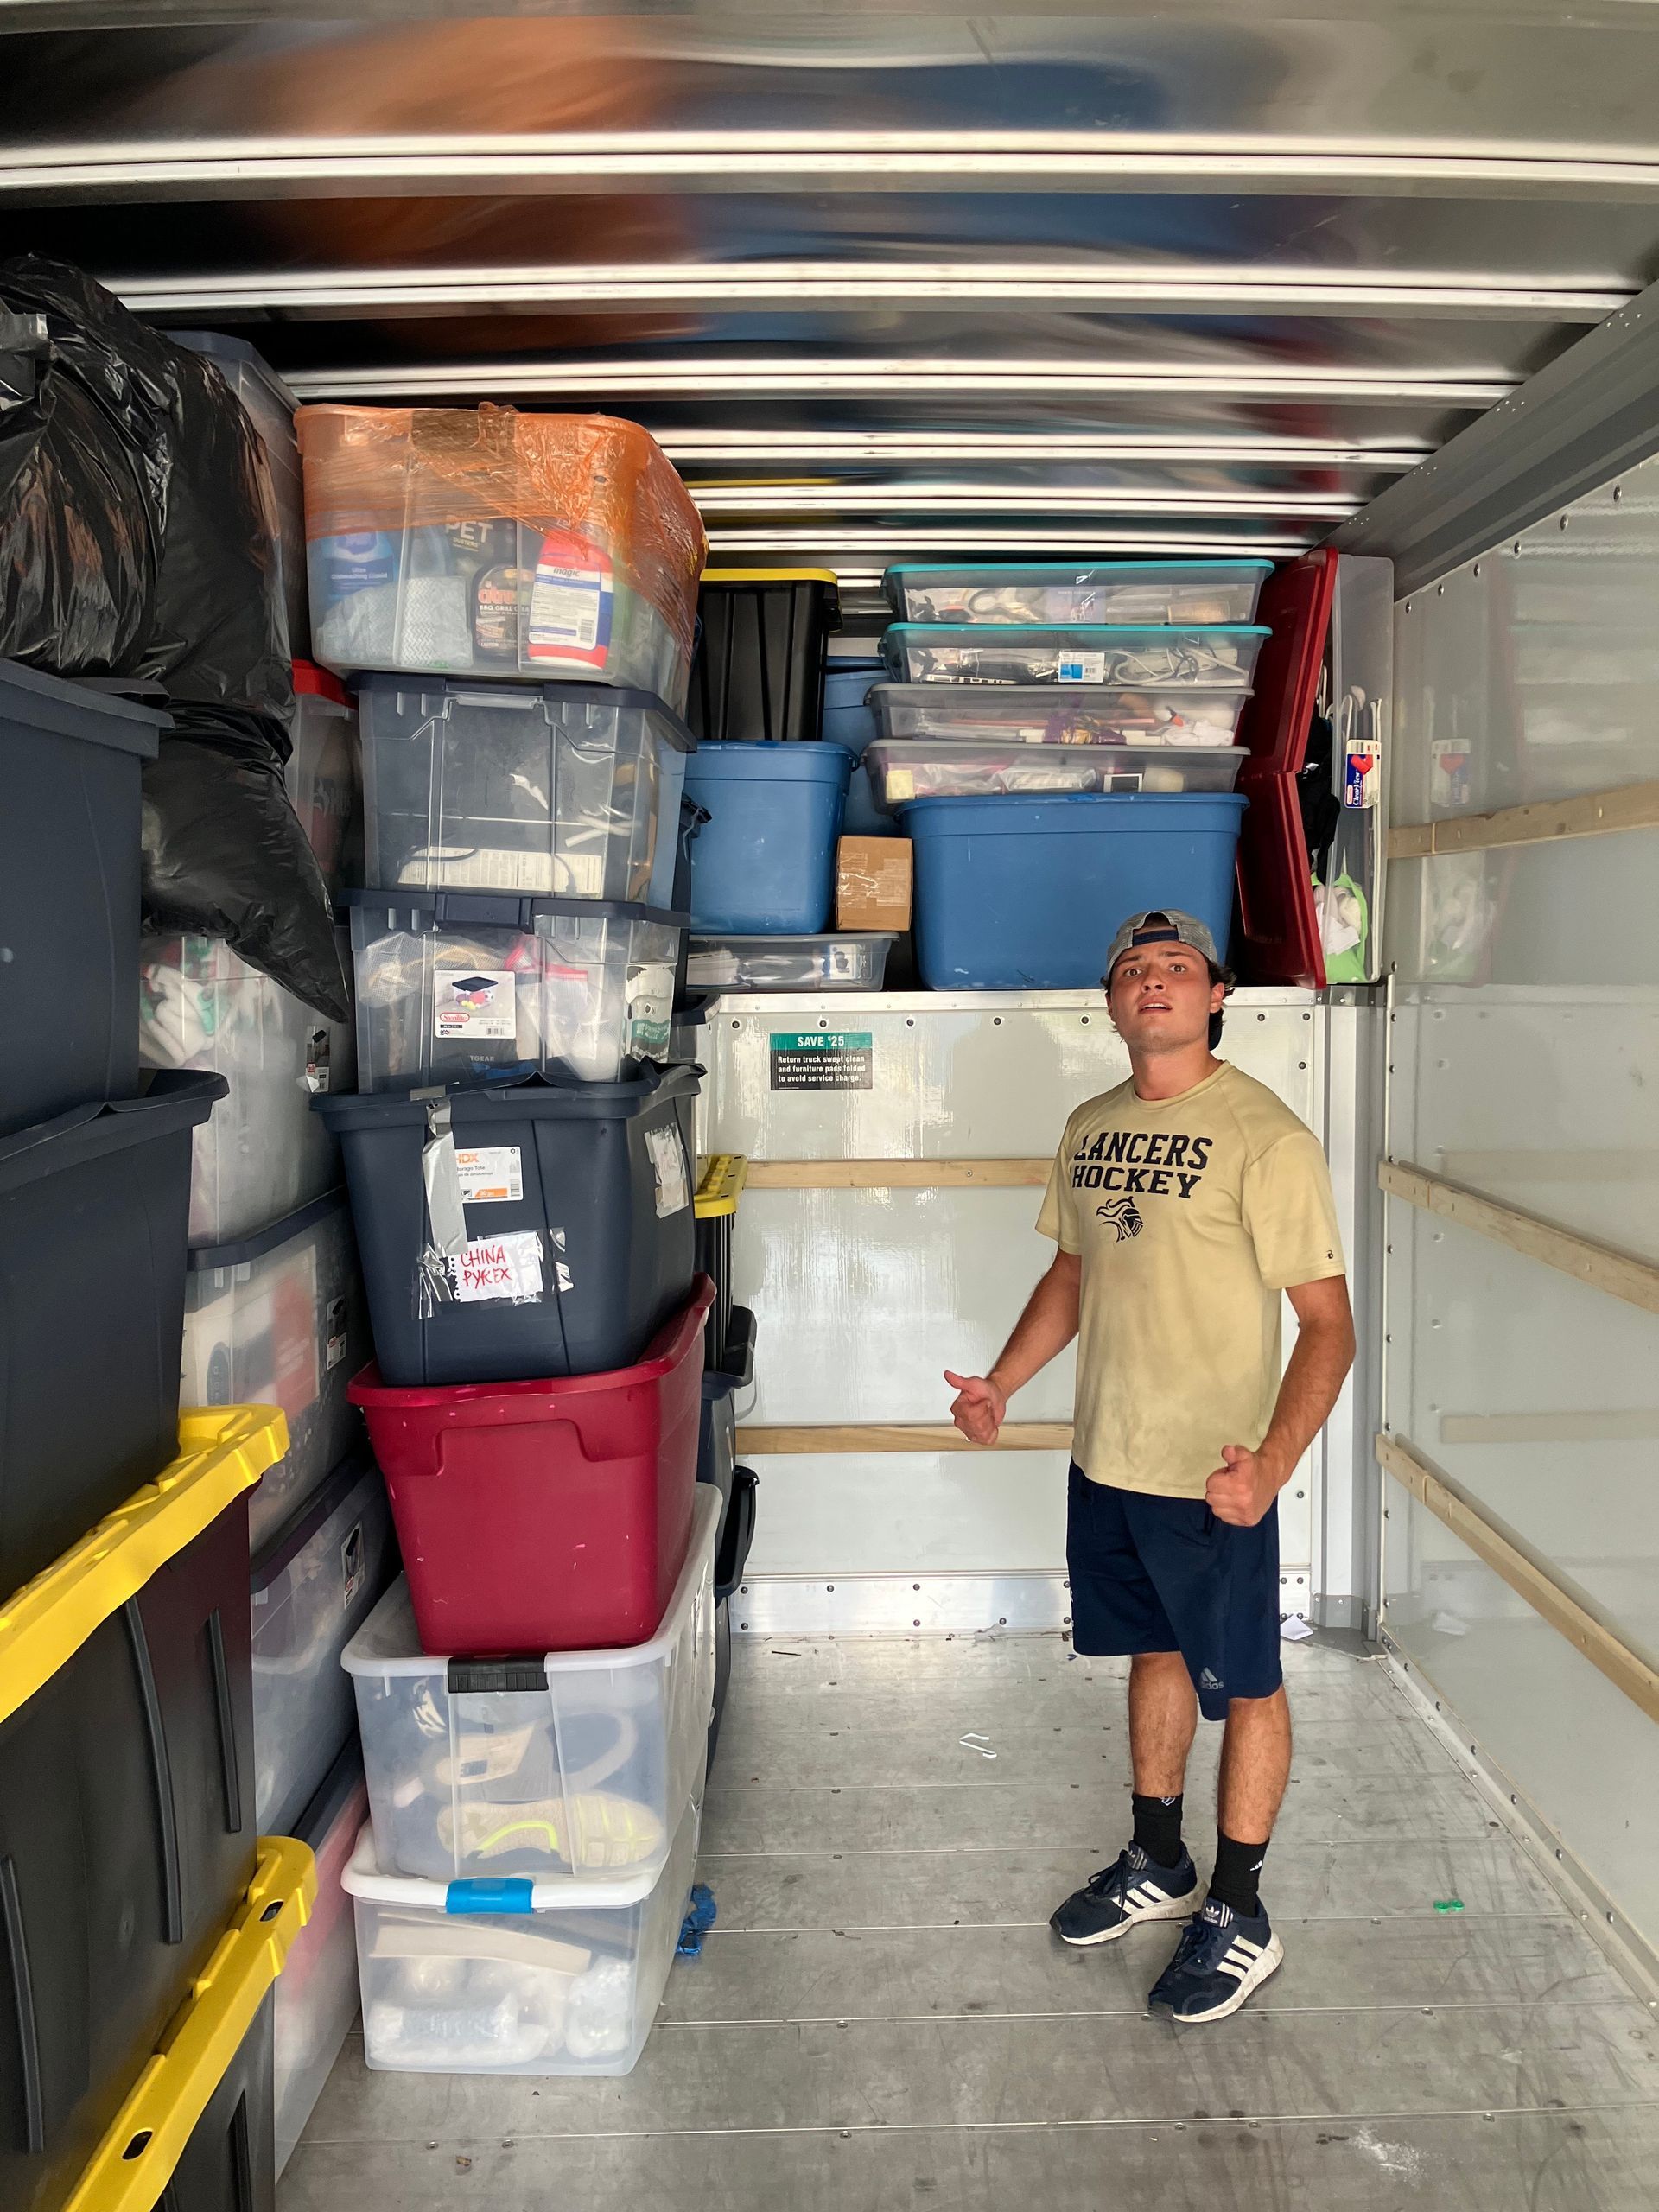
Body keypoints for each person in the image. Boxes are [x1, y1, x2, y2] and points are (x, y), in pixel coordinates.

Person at [945, 909, 1355, 2024]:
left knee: (1252, 1683)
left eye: (1179, 967)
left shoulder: (1267, 1137)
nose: (1156, 981)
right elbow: (1075, 1276)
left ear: (1216, 996)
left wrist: (1269, 1467)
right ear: (1113, 1003)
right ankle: (1159, 1859)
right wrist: (1001, 1384)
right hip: (1109, 1461)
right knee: (1155, 1653)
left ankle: (1242, 1910)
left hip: (1215, 1476)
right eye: (1134, 969)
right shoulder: (1090, 1127)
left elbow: (1329, 1327)